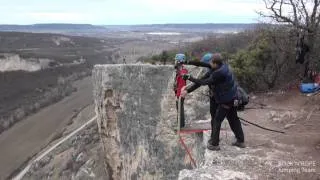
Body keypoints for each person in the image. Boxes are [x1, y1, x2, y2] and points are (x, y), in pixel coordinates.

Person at [180, 53, 245, 150]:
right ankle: (240, 140)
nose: (208, 65)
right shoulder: (220, 66)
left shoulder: (218, 73)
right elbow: (202, 65)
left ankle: (214, 144)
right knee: (233, 118)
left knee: (217, 120)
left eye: (210, 63)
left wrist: (189, 77)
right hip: (232, 97)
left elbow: (203, 82)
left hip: (226, 100)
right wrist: (186, 62)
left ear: (215, 63)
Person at [173, 53, 188, 128]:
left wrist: (177, 96)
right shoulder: (180, 71)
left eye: (176, 60)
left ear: (178, 62)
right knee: (180, 109)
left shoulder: (182, 73)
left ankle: (180, 125)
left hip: (180, 94)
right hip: (179, 93)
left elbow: (181, 86)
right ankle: (180, 124)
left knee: (179, 109)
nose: (175, 62)